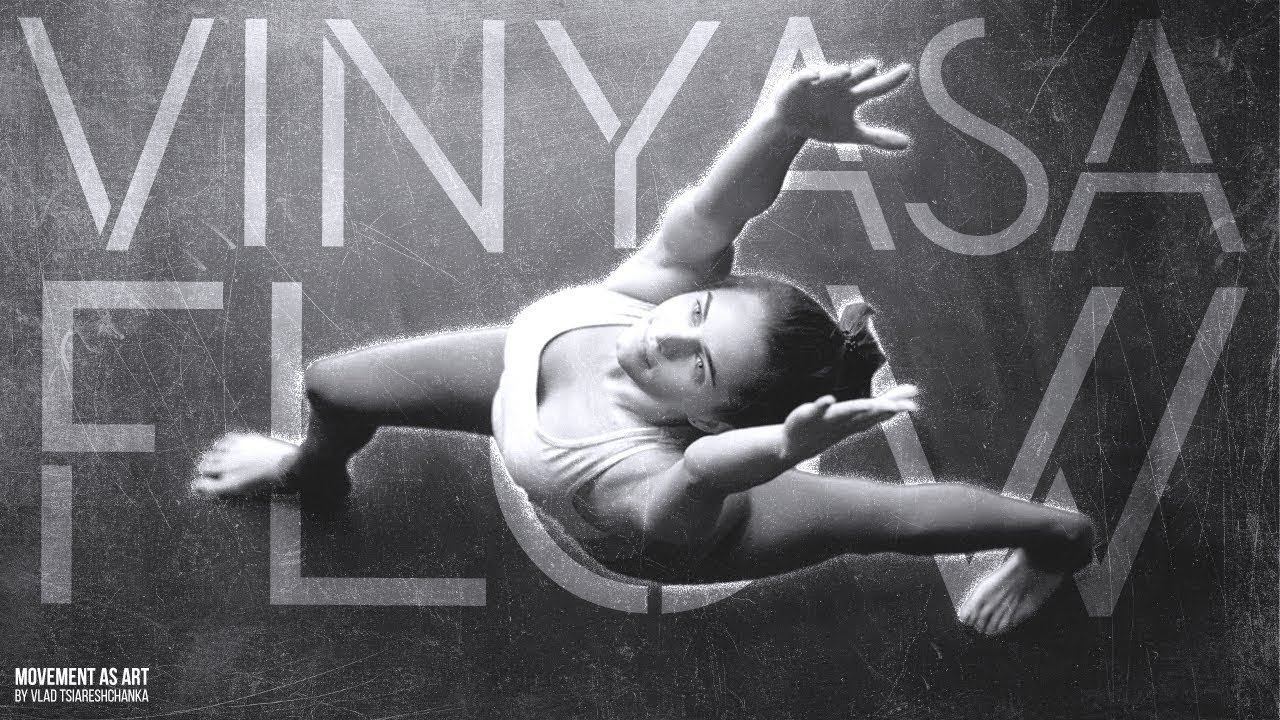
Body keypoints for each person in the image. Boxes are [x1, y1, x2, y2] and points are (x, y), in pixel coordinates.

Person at [194, 60, 1094, 636]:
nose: (662, 331)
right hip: (522, 385)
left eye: (696, 363)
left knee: (893, 521)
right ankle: (312, 470)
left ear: (713, 417)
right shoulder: (647, 303)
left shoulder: (656, 478)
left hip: (679, 520)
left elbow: (697, 481)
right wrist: (782, 124)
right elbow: (711, 212)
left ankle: (1062, 538)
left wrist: (781, 453)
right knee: (334, 384)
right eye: (697, 309)